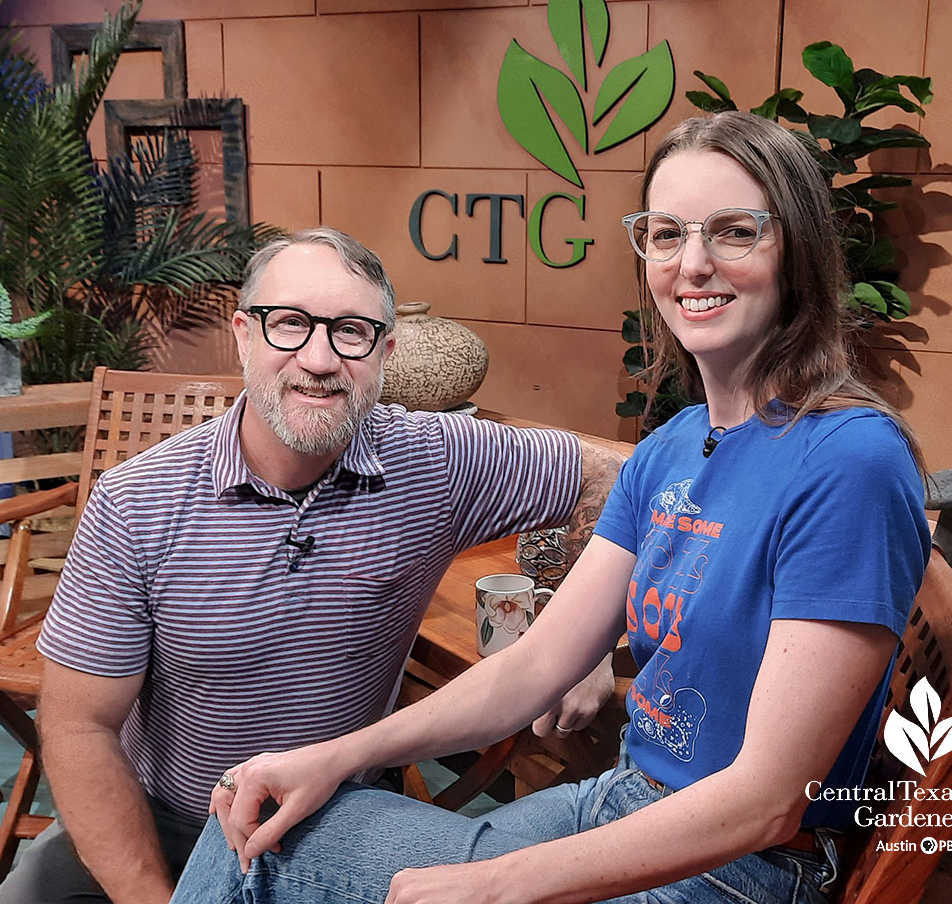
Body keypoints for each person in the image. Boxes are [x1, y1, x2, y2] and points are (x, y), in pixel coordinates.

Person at [171, 112, 931, 904]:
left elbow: (768, 801)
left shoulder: (849, 461)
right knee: (259, 813)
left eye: (735, 232)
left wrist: (496, 886)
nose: (694, 264)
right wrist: (332, 753)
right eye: (667, 235)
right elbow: (534, 665)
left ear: (796, 251)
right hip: (620, 804)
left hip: (736, 867)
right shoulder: (674, 445)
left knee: (268, 855)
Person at [2, 228, 624, 904]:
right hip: (158, 817)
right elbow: (76, 724)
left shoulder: (435, 461)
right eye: (290, 323)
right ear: (243, 335)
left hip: (331, 818)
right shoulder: (138, 504)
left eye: (351, 330)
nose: (320, 357)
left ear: (385, 352)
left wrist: (579, 625)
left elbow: (621, 479)